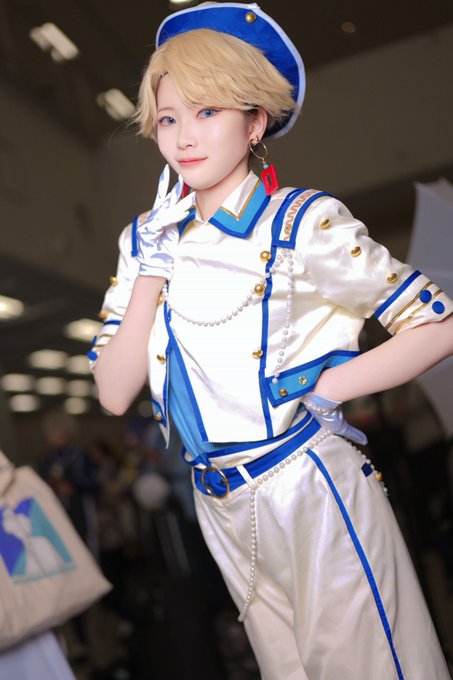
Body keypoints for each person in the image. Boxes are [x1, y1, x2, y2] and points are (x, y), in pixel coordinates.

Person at [88, 3, 453, 678]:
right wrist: (151, 271)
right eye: (168, 119)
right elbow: (113, 393)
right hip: (218, 504)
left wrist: (330, 385)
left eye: (208, 112)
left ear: (254, 121)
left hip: (307, 484)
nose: (184, 138)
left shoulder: (301, 221)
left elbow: (437, 322)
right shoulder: (142, 241)